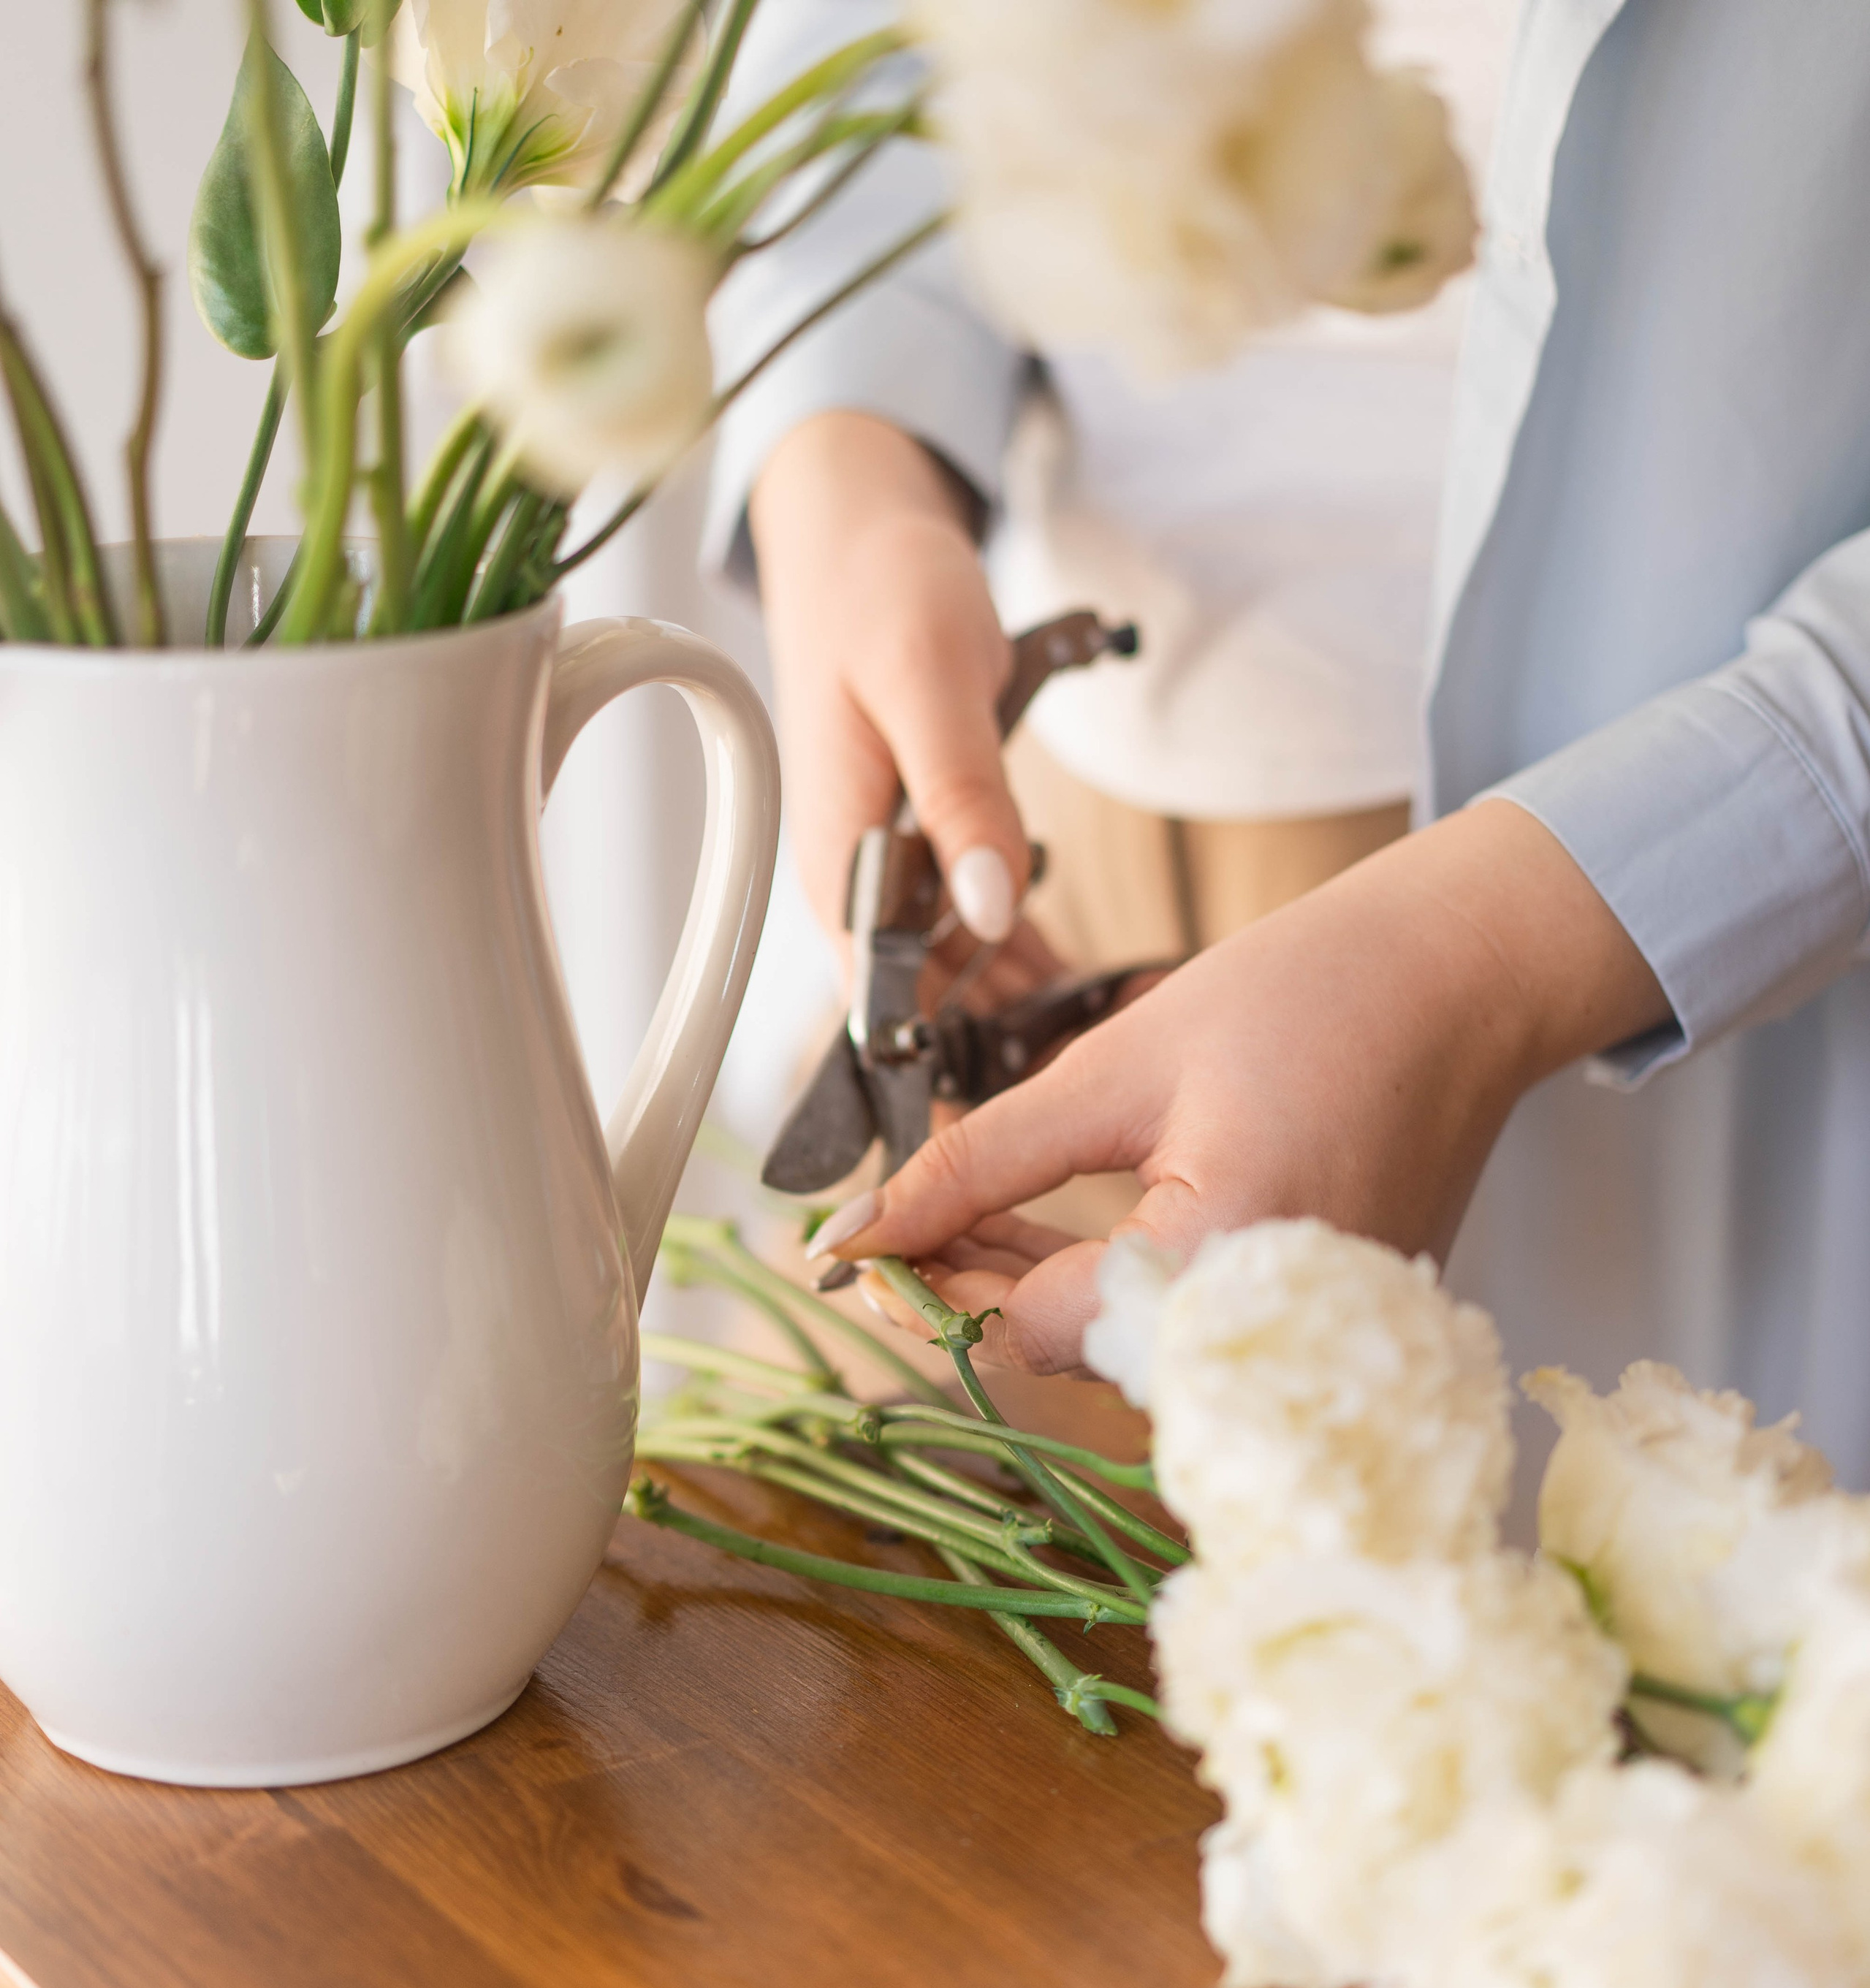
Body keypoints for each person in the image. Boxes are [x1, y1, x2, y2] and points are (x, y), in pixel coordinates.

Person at [709, 0, 1870, 1482]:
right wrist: (849, 461)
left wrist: (1482, 958)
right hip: (1038, 872)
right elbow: (867, 53)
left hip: (1639, 979)